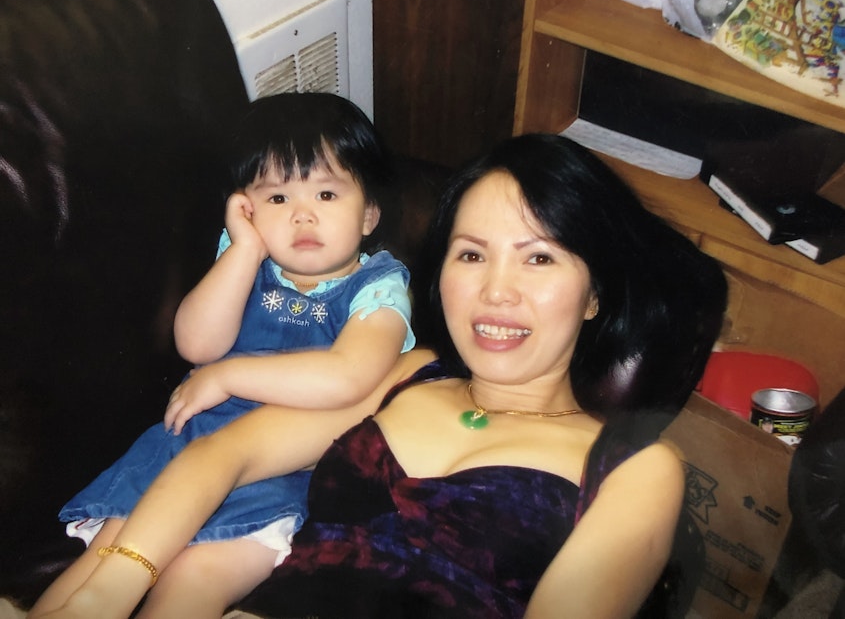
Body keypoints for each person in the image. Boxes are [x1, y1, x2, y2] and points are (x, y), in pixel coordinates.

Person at [29, 134, 726, 619]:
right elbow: (228, 451)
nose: (496, 293)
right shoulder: (412, 373)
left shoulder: (637, 468)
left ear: (593, 292)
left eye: (538, 259)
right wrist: (107, 591)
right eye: (471, 255)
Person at [28, 92, 415, 618]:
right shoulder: (243, 259)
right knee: (102, 559)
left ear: (369, 214)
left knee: (195, 581)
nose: (302, 216)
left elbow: (349, 375)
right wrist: (245, 250)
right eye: (277, 199)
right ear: (248, 208)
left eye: (326, 195)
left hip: (288, 470)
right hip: (187, 445)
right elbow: (196, 344)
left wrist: (231, 375)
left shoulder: (379, 287)